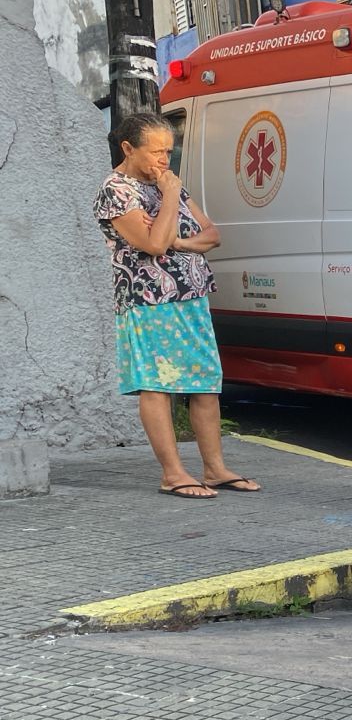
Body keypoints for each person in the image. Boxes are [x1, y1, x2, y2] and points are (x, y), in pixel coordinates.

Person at [95, 113, 260, 500]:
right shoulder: (117, 190)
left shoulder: (170, 185)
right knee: (157, 385)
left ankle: (215, 468)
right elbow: (152, 245)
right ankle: (173, 472)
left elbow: (212, 234)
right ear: (128, 148)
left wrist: (180, 243)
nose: (164, 160)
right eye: (155, 152)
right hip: (149, 300)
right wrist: (170, 199)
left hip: (192, 297)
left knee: (205, 383)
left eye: (168, 151)